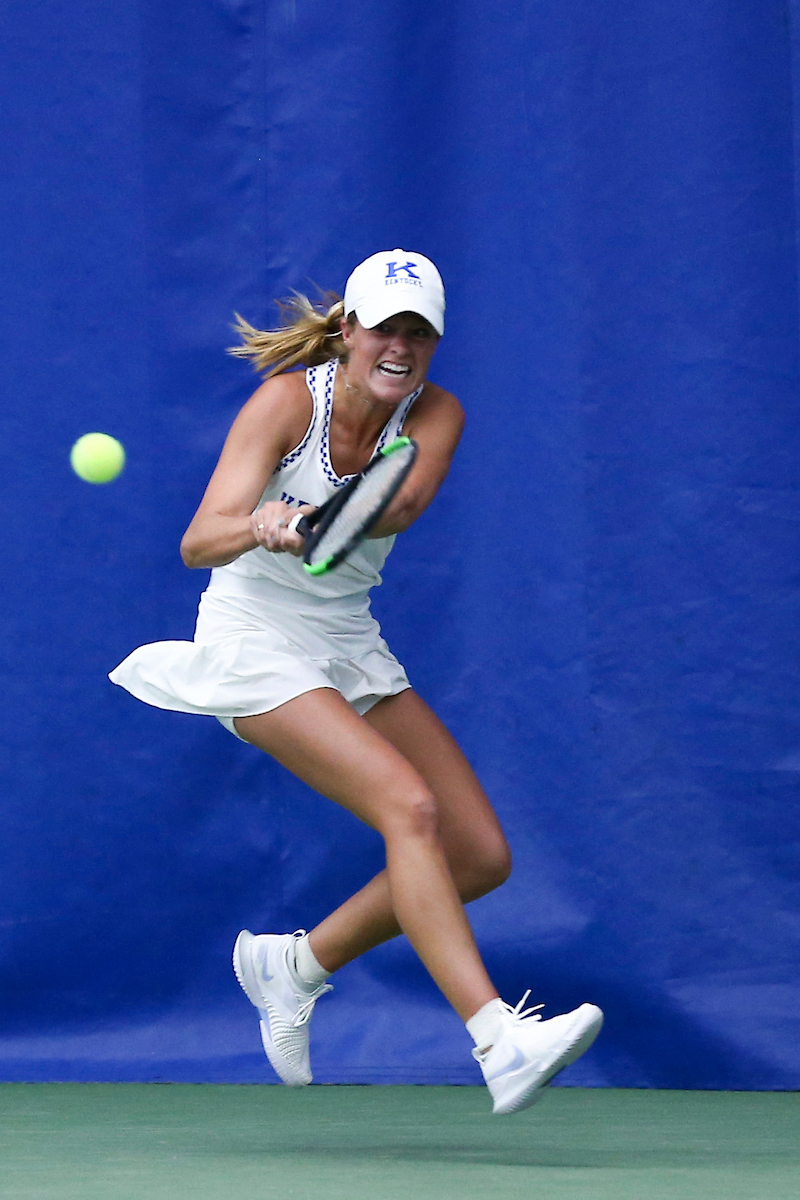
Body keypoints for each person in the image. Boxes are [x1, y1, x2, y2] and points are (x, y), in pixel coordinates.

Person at [109, 249, 603, 1114]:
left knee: (479, 855)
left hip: (345, 639)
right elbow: (198, 541)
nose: (400, 345)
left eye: (419, 331)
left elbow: (397, 506)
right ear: (348, 331)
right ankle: (499, 1039)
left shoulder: (437, 414)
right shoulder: (287, 402)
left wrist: (319, 521)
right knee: (408, 809)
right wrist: (259, 523)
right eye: (385, 327)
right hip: (253, 638)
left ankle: (292, 966)